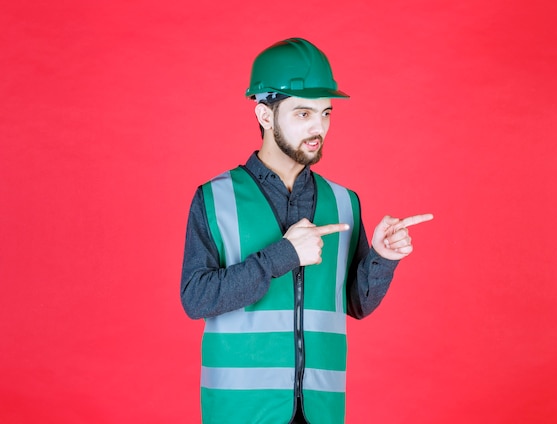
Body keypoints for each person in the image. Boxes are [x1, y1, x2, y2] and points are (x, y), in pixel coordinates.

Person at [180, 37, 433, 424]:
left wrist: (382, 258)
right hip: (239, 411)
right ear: (265, 116)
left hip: (321, 409)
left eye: (326, 113)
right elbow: (196, 299)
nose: (319, 128)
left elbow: (356, 304)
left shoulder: (344, 201)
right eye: (303, 114)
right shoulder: (215, 199)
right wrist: (282, 255)